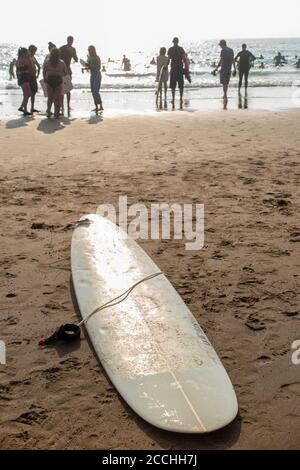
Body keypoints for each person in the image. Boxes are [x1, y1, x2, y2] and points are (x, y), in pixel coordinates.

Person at [43, 47, 68, 119]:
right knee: (57, 98)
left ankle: (48, 113)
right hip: (58, 80)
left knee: (50, 98)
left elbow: (44, 71)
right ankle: (56, 113)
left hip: (50, 80)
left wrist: (45, 78)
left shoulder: (47, 62)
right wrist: (65, 81)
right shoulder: (62, 62)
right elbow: (66, 72)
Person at [59, 36, 78, 114]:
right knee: (62, 90)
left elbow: (76, 59)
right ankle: (61, 105)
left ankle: (68, 105)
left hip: (68, 70)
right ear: (67, 40)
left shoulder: (73, 49)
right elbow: (58, 58)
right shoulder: (62, 48)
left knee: (68, 89)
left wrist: (72, 53)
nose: (71, 42)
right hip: (61, 70)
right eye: (70, 40)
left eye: (72, 41)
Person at [167, 37, 186, 110]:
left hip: (173, 68)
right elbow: (184, 58)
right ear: (178, 42)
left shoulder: (170, 49)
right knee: (181, 84)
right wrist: (185, 67)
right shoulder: (181, 49)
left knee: (173, 84)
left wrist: (166, 65)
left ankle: (173, 98)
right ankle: (181, 98)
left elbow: (168, 58)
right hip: (180, 68)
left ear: (173, 42)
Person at [83, 45, 104, 114]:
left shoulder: (97, 57)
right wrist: (85, 67)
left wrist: (90, 66)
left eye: (90, 50)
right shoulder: (89, 58)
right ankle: (97, 106)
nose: (89, 51)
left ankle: (99, 106)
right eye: (88, 50)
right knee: (93, 91)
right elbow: (88, 67)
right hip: (92, 75)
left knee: (96, 91)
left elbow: (99, 67)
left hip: (97, 74)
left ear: (93, 50)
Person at [16, 48, 33, 116]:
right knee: (28, 94)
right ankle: (24, 109)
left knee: (27, 94)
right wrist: (29, 58)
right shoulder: (25, 60)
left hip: (21, 77)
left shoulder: (18, 60)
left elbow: (17, 71)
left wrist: (18, 78)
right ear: (24, 53)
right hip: (24, 77)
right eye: (27, 53)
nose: (27, 54)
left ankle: (22, 107)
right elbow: (30, 66)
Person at [28, 45, 41, 113]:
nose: (34, 52)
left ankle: (32, 107)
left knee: (34, 92)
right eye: (34, 51)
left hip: (33, 76)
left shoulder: (33, 57)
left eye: (35, 51)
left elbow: (38, 65)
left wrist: (38, 73)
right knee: (28, 93)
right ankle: (25, 108)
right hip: (28, 76)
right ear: (30, 50)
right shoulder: (27, 57)